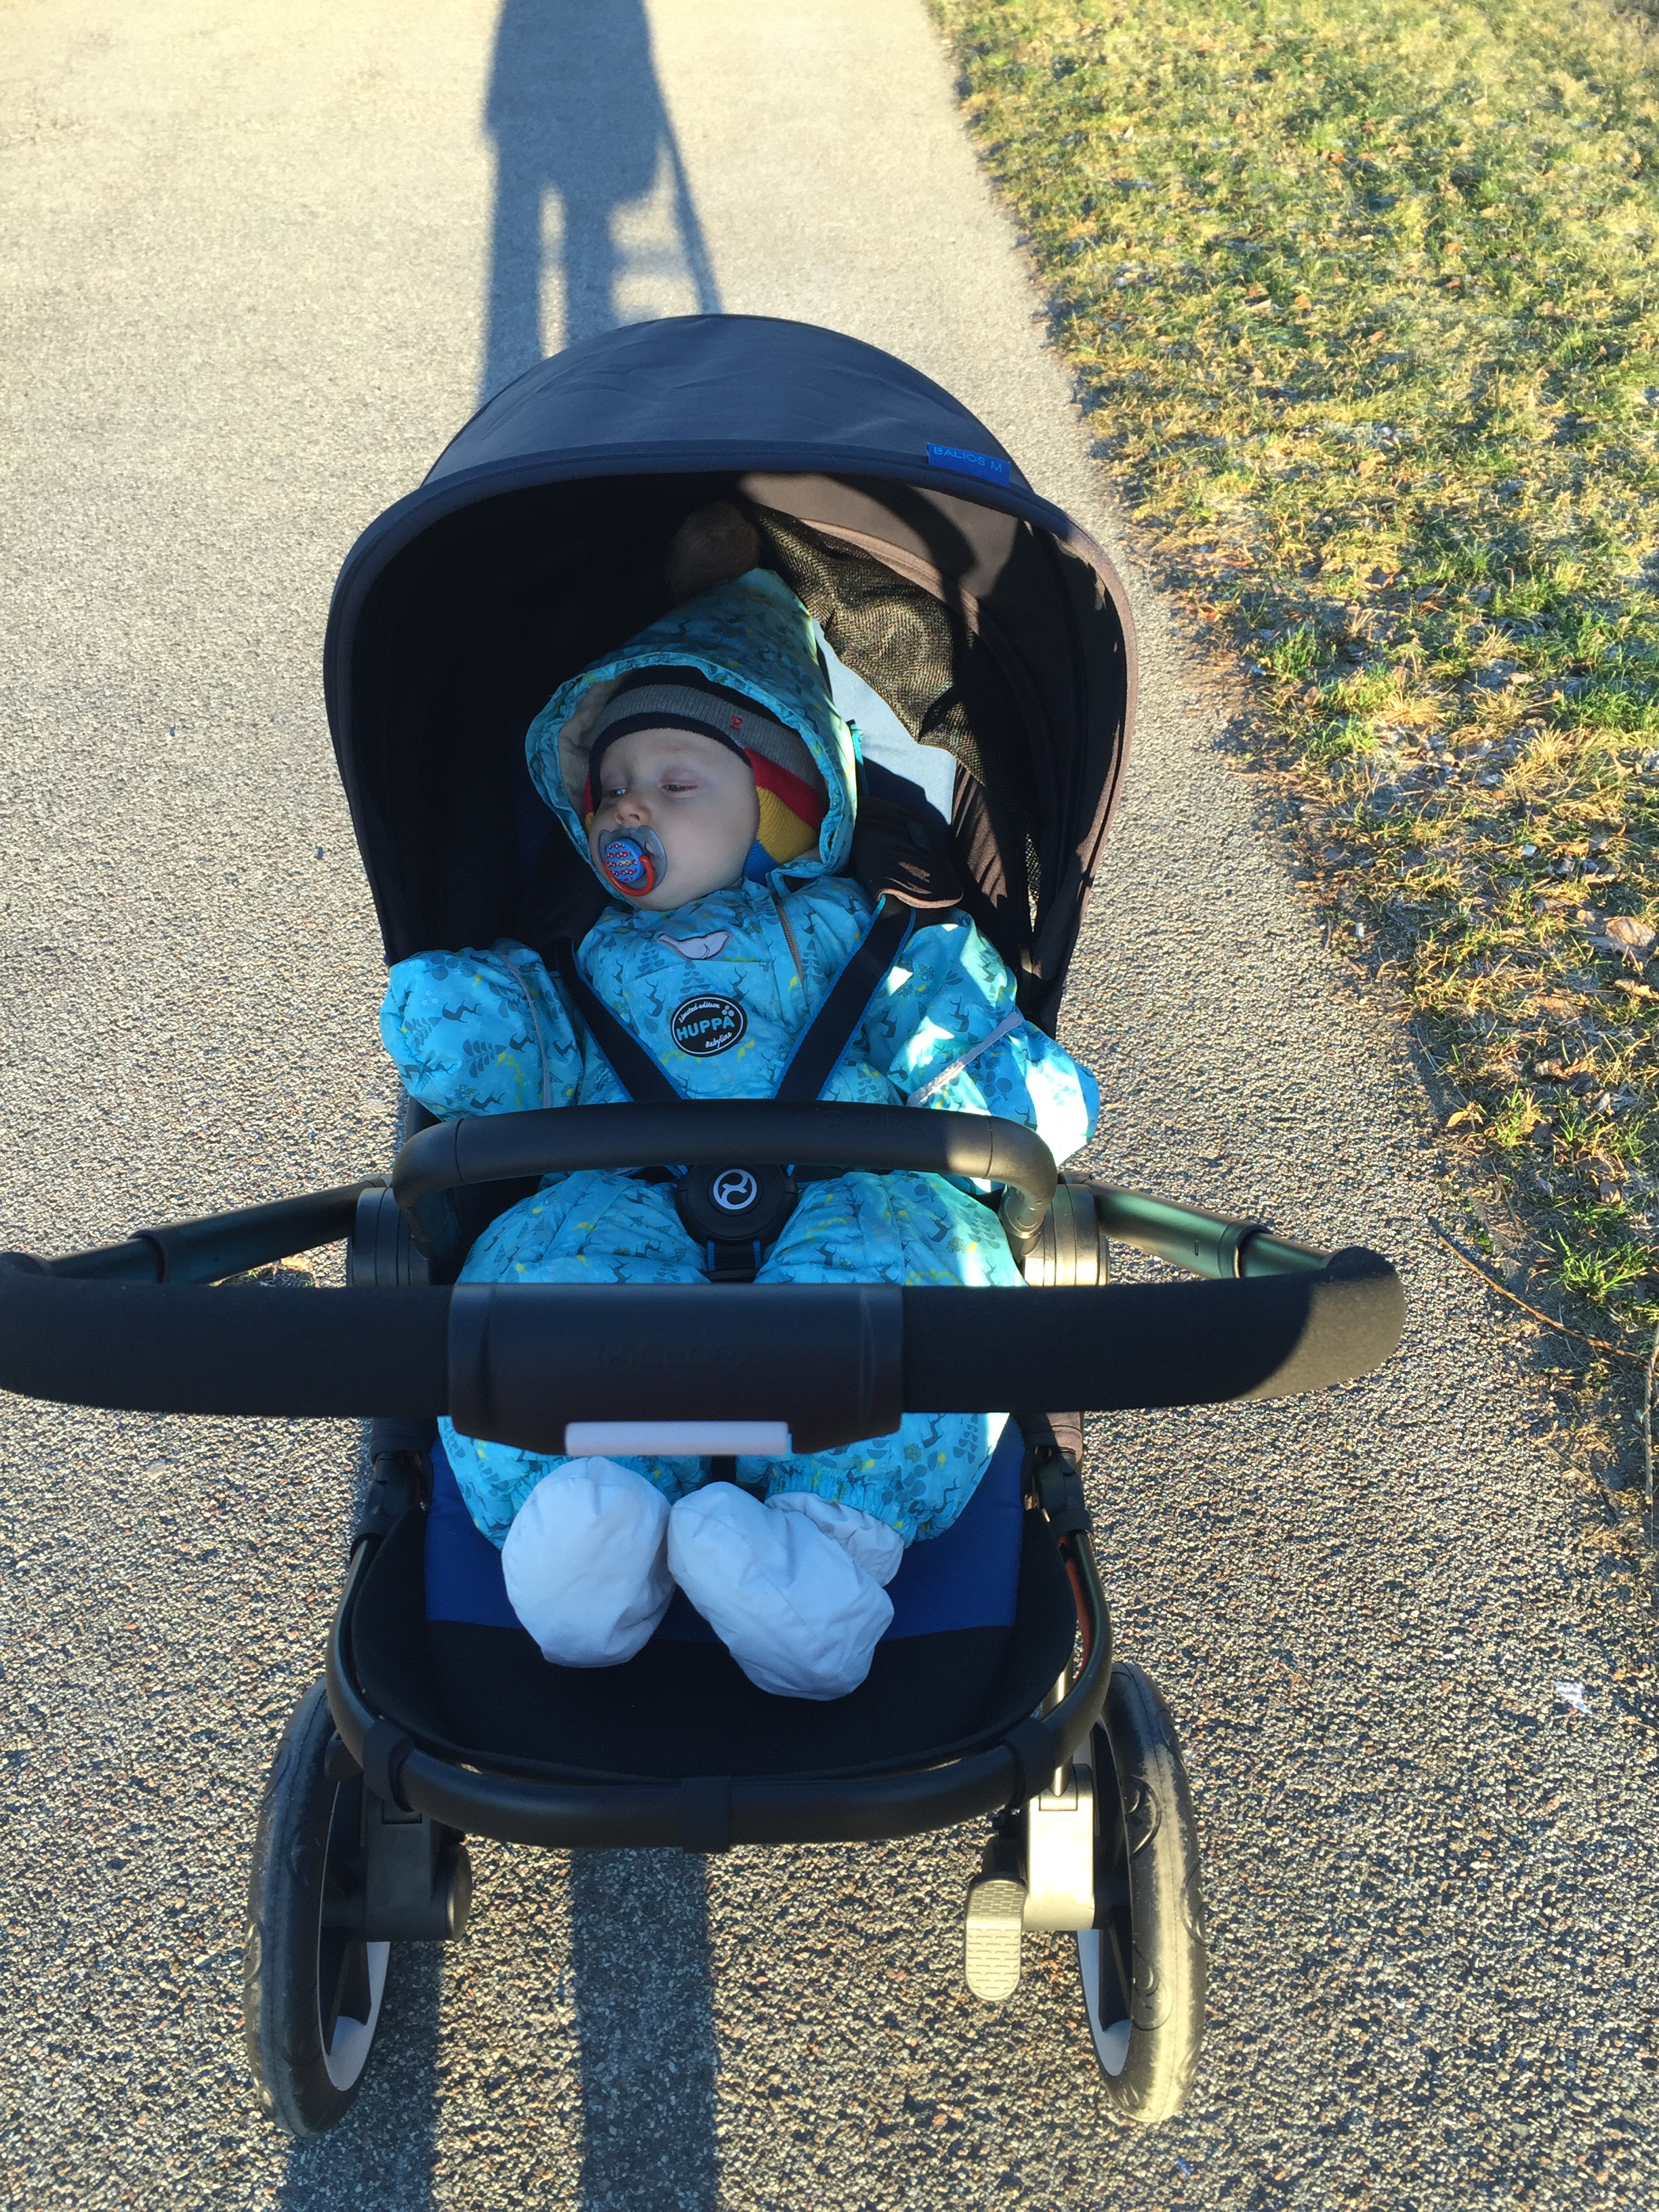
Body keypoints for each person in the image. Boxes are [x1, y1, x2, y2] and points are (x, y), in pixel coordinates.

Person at [380, 510, 1098, 1700]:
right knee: (543, 1273)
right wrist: (463, 1014)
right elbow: (518, 1062)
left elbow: (1023, 1104)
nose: (628, 808)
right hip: (627, 1206)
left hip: (849, 1198)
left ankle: (819, 1558)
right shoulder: (579, 961)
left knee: (925, 1276)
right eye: (612, 787)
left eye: (675, 782)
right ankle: (588, 1525)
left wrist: (951, 1032)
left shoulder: (872, 941)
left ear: (787, 804)